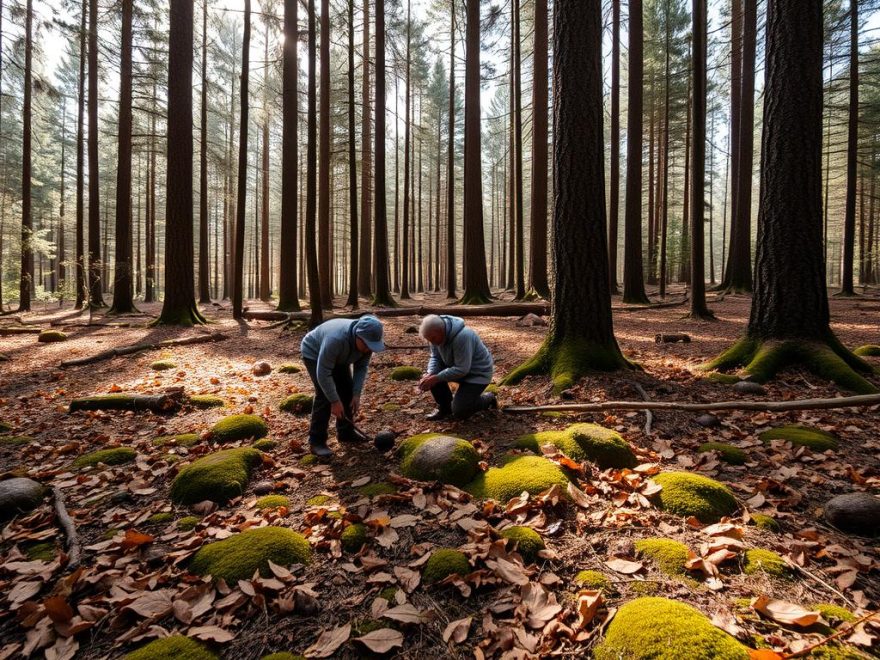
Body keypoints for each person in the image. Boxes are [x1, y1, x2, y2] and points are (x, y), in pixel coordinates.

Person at [300, 315, 385, 457]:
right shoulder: (335, 340)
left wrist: (356, 394)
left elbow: (361, 367)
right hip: (314, 354)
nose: (368, 350)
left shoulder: (366, 345)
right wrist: (334, 401)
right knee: (324, 395)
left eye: (372, 346)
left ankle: (346, 432)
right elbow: (323, 373)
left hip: (341, 358)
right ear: (358, 336)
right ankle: (317, 441)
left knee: (347, 389)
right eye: (366, 345)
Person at [417, 314, 497, 420]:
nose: (432, 342)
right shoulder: (434, 335)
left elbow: (462, 369)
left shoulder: (463, 336)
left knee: (460, 411)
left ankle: (488, 398)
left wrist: (436, 378)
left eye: (433, 338)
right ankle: (445, 409)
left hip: (477, 374)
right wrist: (430, 373)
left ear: (441, 330)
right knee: (432, 376)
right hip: (456, 369)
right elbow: (435, 358)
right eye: (429, 340)